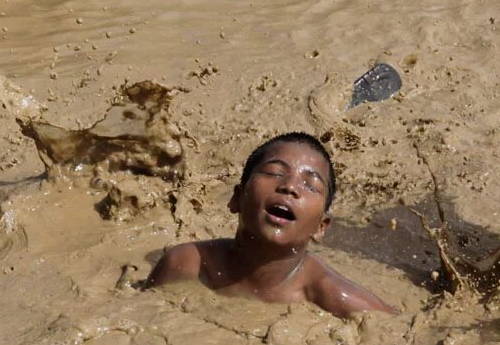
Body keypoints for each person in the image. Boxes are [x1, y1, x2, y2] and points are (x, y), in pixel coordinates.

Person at [146, 132, 395, 317]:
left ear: (321, 227)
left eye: (311, 185)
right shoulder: (187, 264)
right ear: (236, 198)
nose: (290, 187)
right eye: (275, 172)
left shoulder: (336, 300)